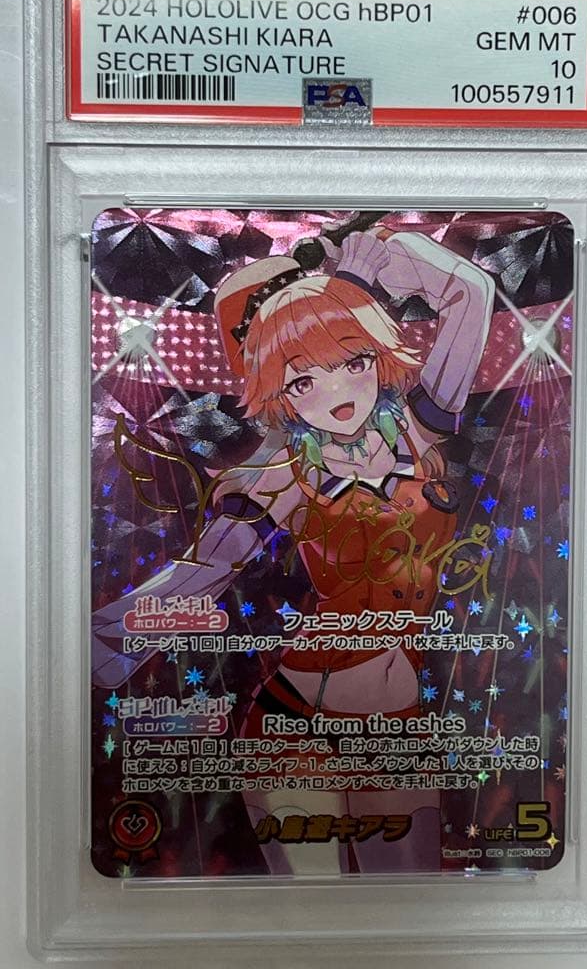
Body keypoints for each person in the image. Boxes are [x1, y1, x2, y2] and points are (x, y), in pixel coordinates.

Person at [92, 224, 495, 874]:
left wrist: (388, 250)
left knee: (410, 906)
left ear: (378, 353)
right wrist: (93, 644)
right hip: (292, 722)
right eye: (302, 380)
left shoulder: (420, 428)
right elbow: (201, 572)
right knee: (302, 913)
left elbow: (470, 292)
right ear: (276, 392)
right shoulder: (279, 477)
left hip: (395, 725)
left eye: (352, 361)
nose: (336, 392)